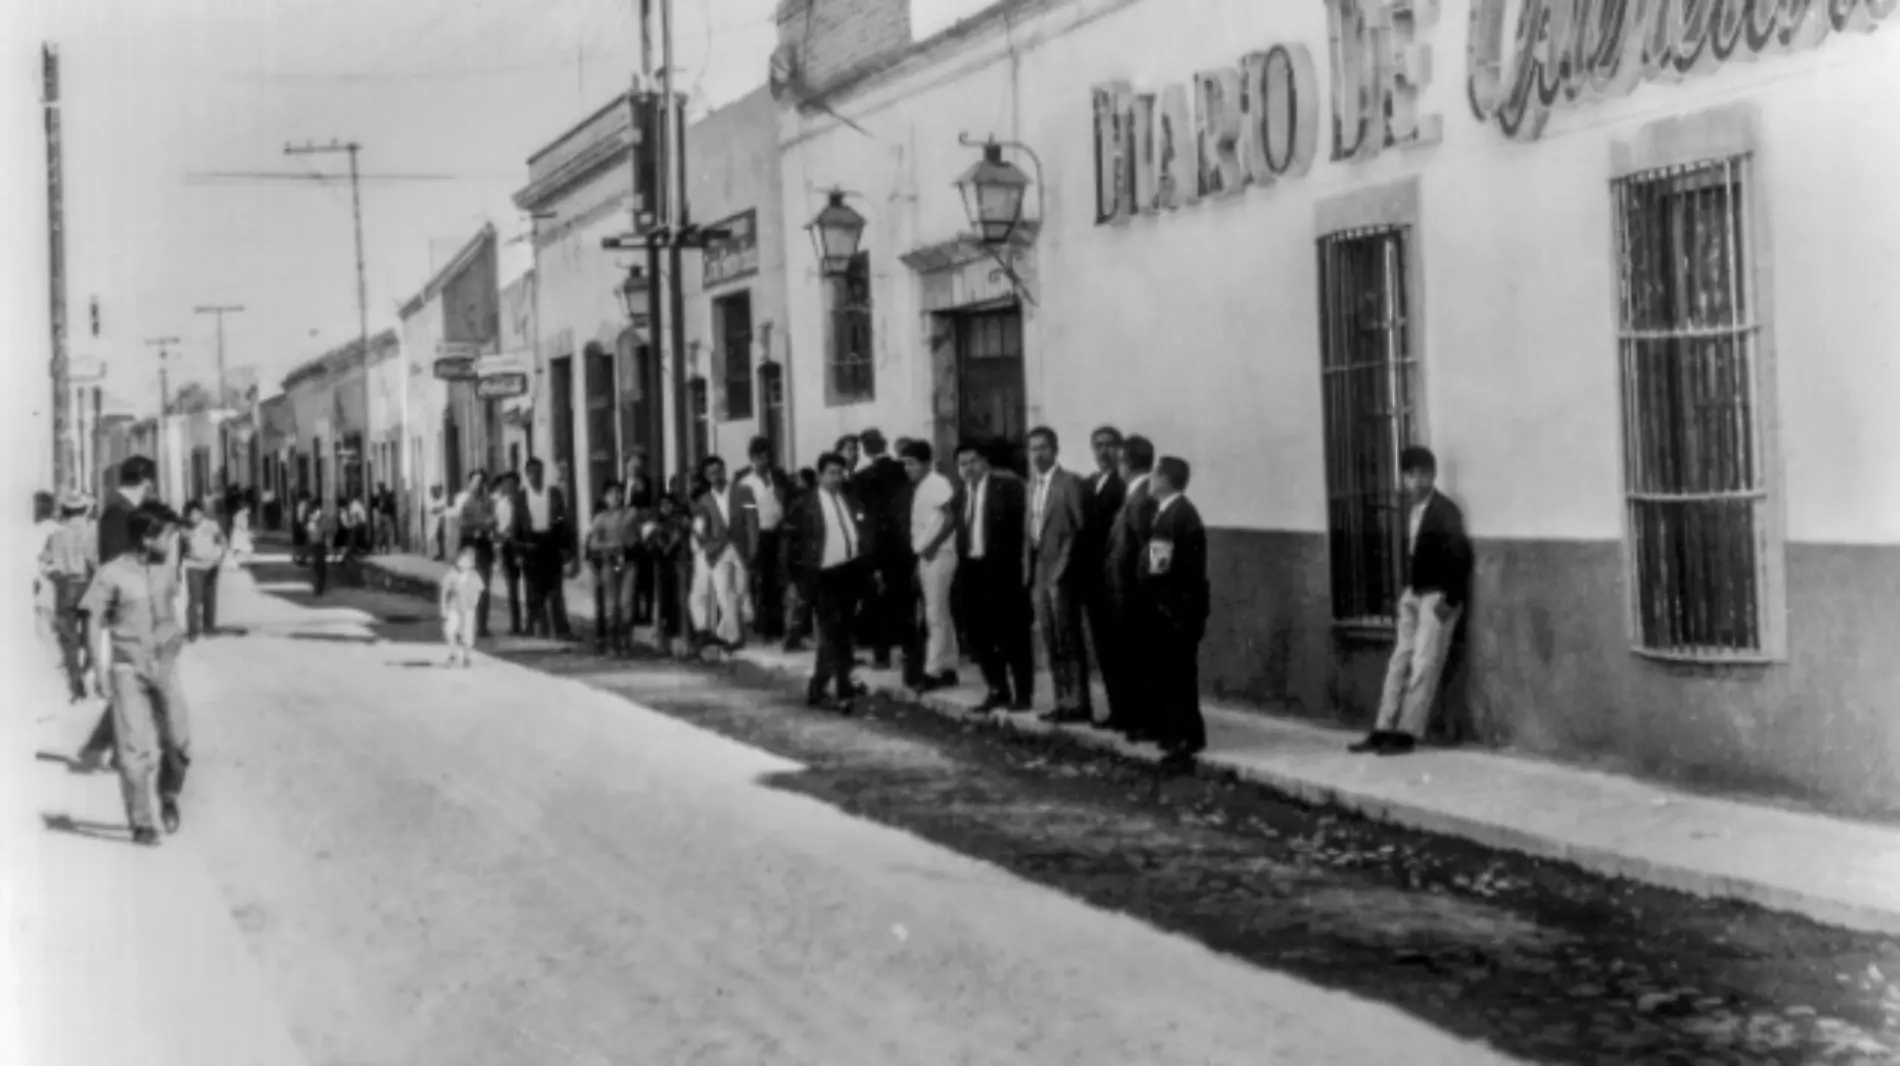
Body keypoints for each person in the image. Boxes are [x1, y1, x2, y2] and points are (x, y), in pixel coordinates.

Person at [1350, 446, 1474, 757]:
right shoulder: (1411, 511)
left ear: (1433, 476)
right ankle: (1382, 728)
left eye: (1423, 474)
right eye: (1411, 475)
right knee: (1398, 663)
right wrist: (1408, 594)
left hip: (1437, 597)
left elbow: (1463, 557)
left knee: (1423, 664)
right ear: (1403, 479)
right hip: (1414, 594)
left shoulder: (1445, 510)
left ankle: (1406, 732)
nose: (1417, 481)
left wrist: (1450, 599)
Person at [80, 501, 192, 845]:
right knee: (133, 751)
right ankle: (142, 822)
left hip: (164, 668)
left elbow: (178, 607)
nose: (173, 540)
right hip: (127, 669)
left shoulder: (168, 568)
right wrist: (99, 670)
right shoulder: (111, 573)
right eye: (168, 534)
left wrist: (176, 637)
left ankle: (168, 793)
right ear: (146, 538)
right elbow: (93, 619)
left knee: (179, 742)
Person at [76, 455, 159, 773]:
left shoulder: (126, 511)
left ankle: (100, 749)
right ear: (147, 482)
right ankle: (121, 752)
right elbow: (115, 562)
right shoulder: (117, 513)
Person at [1138, 456, 1211, 767]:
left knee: (1175, 673)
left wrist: (1155, 601)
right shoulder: (1178, 512)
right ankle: (1186, 734)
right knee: (1179, 672)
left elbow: (1160, 568)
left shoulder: (1172, 516)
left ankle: (1182, 739)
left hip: (1174, 609)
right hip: (1182, 607)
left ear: (1165, 479)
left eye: (1154, 475)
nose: (1150, 480)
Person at [956, 438, 1033, 713]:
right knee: (980, 635)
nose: (968, 469)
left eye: (973, 462)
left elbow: (1023, 528)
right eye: (962, 464)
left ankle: (1023, 694)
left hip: (1003, 570)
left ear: (985, 462)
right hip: (972, 569)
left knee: (1013, 634)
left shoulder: (1008, 487)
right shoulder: (961, 493)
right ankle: (997, 688)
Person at [1024, 426, 1092, 722]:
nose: (1038, 454)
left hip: (1061, 572)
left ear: (1055, 450)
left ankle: (1078, 702)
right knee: (1050, 637)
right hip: (1039, 568)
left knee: (1068, 635)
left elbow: (1079, 528)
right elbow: (1029, 532)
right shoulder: (1032, 486)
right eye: (1033, 449)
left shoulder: (1069, 483)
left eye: (1043, 448)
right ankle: (1061, 699)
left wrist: (1063, 567)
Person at [795, 451, 870, 712]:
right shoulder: (807, 505)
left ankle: (818, 687)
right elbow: (794, 547)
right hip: (823, 576)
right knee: (835, 631)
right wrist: (799, 583)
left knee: (838, 633)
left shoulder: (850, 500)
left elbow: (861, 533)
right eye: (831, 473)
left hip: (849, 572)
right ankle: (844, 690)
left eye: (840, 473)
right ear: (819, 475)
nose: (837, 478)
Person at [1099, 434, 1159, 740]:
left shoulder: (1143, 498)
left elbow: (1146, 549)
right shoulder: (1136, 494)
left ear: (1127, 463)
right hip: (1126, 593)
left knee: (1140, 659)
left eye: (1120, 460)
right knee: (1134, 658)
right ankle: (1137, 720)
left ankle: (1146, 722)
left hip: (1134, 595)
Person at [1078, 426, 1127, 730]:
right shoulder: (1090, 483)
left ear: (1120, 449)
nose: (1103, 451)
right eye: (1098, 445)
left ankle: (1127, 711)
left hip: (1114, 578)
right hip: (1093, 578)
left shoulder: (1123, 485)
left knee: (1120, 647)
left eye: (1110, 445)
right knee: (1104, 647)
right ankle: (1116, 708)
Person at [850, 428, 911, 672]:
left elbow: (862, 518)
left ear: (865, 449)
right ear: (885, 444)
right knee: (904, 599)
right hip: (902, 544)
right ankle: (908, 650)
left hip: (876, 548)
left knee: (877, 603)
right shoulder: (902, 470)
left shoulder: (862, 477)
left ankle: (882, 655)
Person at [901, 440, 959, 691]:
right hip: (926, 555)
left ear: (926, 463)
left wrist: (934, 545)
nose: (908, 469)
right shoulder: (921, 486)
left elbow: (950, 517)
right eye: (905, 464)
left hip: (940, 554)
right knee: (940, 612)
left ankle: (933, 670)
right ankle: (948, 666)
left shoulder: (937, 483)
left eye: (912, 463)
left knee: (935, 614)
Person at [40, 490, 98, 703]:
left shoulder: (55, 535)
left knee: (68, 639)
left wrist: (56, 576)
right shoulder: (92, 532)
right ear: (85, 510)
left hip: (65, 587)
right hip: (88, 584)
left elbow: (45, 563)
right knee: (92, 633)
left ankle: (76, 684)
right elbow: (95, 561)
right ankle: (91, 668)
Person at [733, 436, 792, 642]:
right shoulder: (744, 481)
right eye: (759, 457)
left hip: (778, 532)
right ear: (752, 458)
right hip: (757, 533)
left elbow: (788, 500)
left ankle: (777, 625)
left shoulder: (778, 477)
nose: (764, 461)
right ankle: (763, 626)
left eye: (767, 456)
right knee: (761, 580)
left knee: (778, 579)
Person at [510, 458, 574, 639]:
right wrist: (518, 552)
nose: (535, 476)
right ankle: (536, 626)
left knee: (555, 588)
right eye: (531, 473)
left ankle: (560, 628)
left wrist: (567, 548)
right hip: (530, 544)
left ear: (543, 473)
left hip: (551, 542)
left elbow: (564, 520)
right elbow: (516, 525)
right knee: (532, 589)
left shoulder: (553, 493)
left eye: (538, 472)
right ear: (527, 475)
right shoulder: (522, 497)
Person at [690, 456, 747, 651]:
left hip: (736, 547)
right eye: (712, 473)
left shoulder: (739, 492)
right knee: (717, 592)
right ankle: (725, 636)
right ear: (706, 477)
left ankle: (727, 633)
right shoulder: (704, 500)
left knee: (737, 591)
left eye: (719, 471)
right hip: (714, 550)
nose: (717, 475)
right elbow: (699, 529)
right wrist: (706, 548)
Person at [587, 480, 630, 654]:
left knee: (626, 602)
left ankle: (625, 639)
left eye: (619, 492)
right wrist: (611, 545)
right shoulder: (600, 518)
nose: (616, 497)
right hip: (608, 562)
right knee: (612, 603)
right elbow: (593, 543)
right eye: (611, 493)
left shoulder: (631, 514)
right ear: (605, 498)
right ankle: (613, 640)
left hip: (628, 563)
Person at [455, 470, 497, 639]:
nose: (479, 486)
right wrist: (482, 524)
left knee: (484, 587)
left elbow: (493, 521)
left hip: (484, 547)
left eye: (481, 482)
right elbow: (463, 524)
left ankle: (482, 626)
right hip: (469, 547)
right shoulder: (466, 502)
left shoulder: (489, 502)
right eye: (475, 482)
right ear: (470, 484)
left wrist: (486, 525)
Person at [180, 500, 227, 640]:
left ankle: (209, 627)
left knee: (210, 598)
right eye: (191, 514)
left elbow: (222, 541)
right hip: (193, 566)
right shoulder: (184, 529)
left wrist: (220, 556)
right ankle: (192, 630)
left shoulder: (212, 525)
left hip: (212, 565)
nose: (194, 516)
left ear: (201, 513)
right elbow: (180, 549)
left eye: (196, 513)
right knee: (194, 599)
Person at [439, 544, 484, 668]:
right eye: (462, 558)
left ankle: (467, 656)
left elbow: (480, 590)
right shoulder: (452, 573)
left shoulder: (474, 575)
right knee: (449, 629)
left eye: (468, 559)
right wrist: (443, 606)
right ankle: (453, 652)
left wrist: (475, 602)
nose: (464, 562)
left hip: (468, 608)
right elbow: (445, 589)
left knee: (467, 633)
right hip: (454, 606)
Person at [492, 471, 527, 635]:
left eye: (511, 484)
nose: (507, 487)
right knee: (512, 587)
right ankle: (516, 623)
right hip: (507, 546)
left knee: (529, 585)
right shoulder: (501, 503)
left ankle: (533, 622)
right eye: (505, 484)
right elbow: (498, 525)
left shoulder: (523, 502)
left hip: (522, 544)